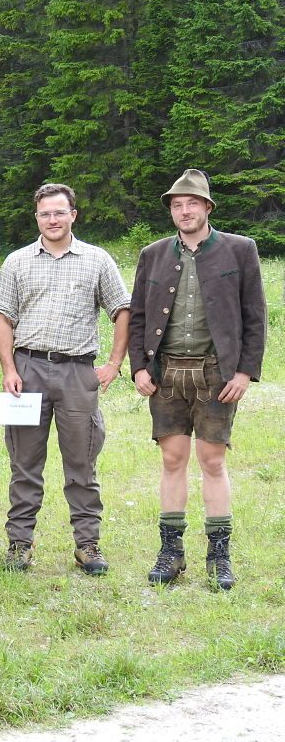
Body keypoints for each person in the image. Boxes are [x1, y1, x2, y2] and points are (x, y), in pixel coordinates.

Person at [129, 169, 266, 590]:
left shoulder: (240, 250)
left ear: (207, 207)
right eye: (176, 204)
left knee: (212, 461)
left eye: (191, 203)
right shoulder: (153, 254)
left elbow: (255, 318)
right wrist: (138, 366)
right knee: (172, 461)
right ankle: (171, 554)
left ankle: (218, 556)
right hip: (166, 373)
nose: (184, 210)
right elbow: (136, 317)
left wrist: (245, 371)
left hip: (216, 374)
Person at [0, 183, 130, 575]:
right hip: (27, 372)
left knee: (82, 463)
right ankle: (20, 544)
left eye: (59, 212)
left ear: (73, 215)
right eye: (45, 214)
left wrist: (114, 363)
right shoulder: (17, 262)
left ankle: (87, 544)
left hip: (76, 373)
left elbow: (122, 310)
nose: (52, 220)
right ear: (36, 218)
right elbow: (3, 318)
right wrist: (9, 370)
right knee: (24, 463)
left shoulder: (97, 260)